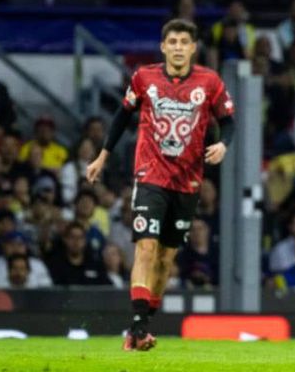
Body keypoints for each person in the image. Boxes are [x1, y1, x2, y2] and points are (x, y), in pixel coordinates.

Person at [86, 18, 235, 351]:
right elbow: (122, 116)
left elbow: (228, 122)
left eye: (184, 42)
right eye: (173, 42)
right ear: (163, 47)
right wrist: (102, 156)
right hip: (149, 176)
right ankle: (138, 328)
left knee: (166, 259)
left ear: (193, 48)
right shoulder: (144, 77)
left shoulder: (209, 82)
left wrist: (223, 144)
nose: (178, 47)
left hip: (187, 182)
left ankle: (141, 324)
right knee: (146, 247)